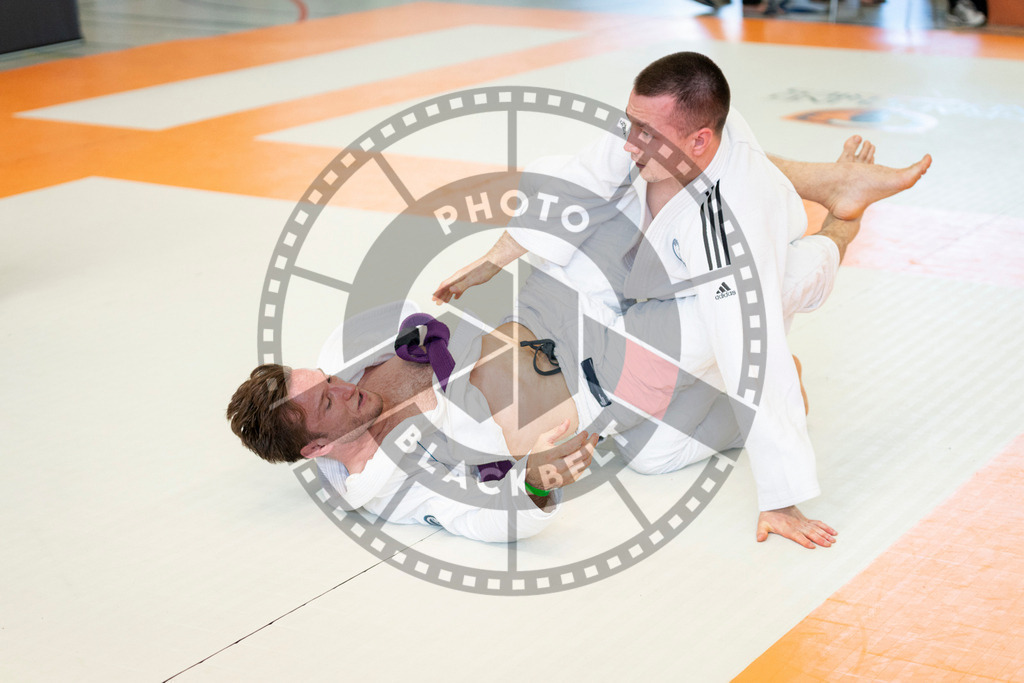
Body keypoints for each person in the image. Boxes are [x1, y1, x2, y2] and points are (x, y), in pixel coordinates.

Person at [433, 52, 931, 549]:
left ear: (699, 140)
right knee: (649, 452)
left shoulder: (731, 224)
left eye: (644, 135)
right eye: (630, 124)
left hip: (722, 277)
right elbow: (583, 176)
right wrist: (496, 257)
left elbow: (750, 349)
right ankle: (827, 180)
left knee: (767, 295)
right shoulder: (653, 128)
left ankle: (840, 225)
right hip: (649, 263)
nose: (628, 142)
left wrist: (780, 498)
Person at [227, 301, 600, 544]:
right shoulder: (388, 486)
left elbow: (428, 310)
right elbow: (476, 518)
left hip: (548, 309)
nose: (340, 387)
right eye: (327, 401)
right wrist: (534, 483)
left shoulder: (353, 355)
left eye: (327, 379)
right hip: (591, 379)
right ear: (317, 447)